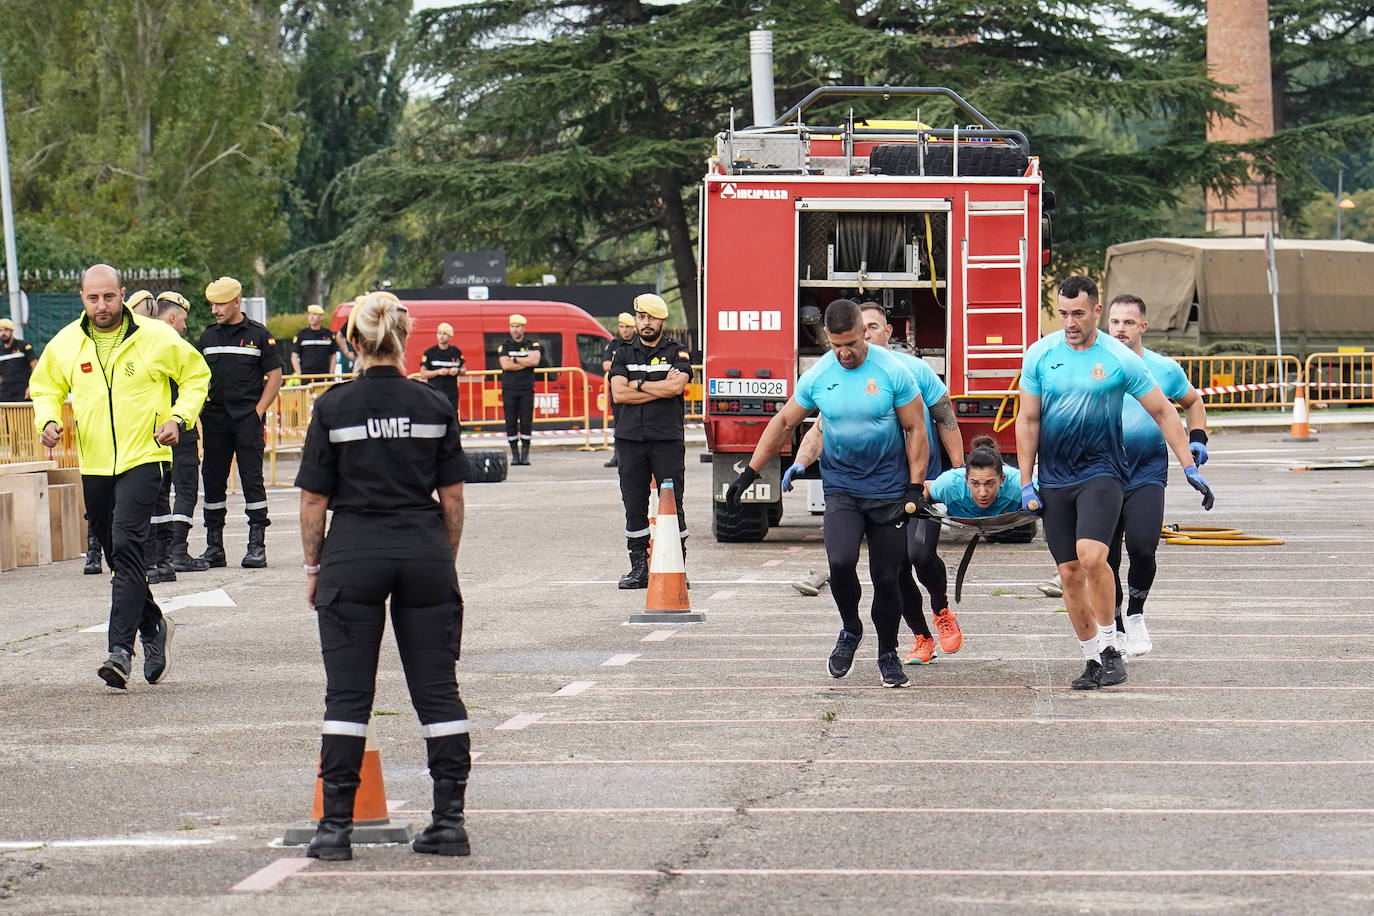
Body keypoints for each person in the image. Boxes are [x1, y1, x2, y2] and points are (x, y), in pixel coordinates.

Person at [296, 291, 471, 861]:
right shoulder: (432, 406)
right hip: (422, 551)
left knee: (347, 697)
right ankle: (449, 822)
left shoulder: (334, 407)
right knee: (438, 694)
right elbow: (452, 500)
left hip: (354, 554)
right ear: (406, 340)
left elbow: (313, 504)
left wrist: (313, 568)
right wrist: (441, 559)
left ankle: (335, 831)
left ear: (351, 343)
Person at [1017, 276, 1214, 691]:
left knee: (1091, 557)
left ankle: (1112, 646)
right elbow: (1029, 419)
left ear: (1095, 312)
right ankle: (1092, 659)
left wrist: (1188, 463)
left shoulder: (1119, 358)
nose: (1070, 322)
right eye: (1063, 314)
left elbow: (1163, 411)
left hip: (1102, 473)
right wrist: (1025, 480)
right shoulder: (1040, 355)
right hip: (1054, 478)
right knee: (1069, 573)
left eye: (1078, 314)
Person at [728, 298, 929, 688]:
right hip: (842, 489)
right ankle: (851, 629)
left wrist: (916, 486)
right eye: (837, 345)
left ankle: (887, 652)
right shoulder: (819, 375)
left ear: (865, 332)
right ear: (827, 338)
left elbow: (916, 428)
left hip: (888, 492)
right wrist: (750, 472)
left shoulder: (892, 371)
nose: (845, 353)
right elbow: (784, 422)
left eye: (852, 343)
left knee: (887, 578)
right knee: (840, 562)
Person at [30, 264, 210, 688]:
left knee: (129, 541)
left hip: (145, 456)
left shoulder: (155, 336)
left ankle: (119, 651)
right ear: (82, 299)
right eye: (93, 298)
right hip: (94, 464)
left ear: (122, 294)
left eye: (109, 297)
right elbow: (45, 386)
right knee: (117, 554)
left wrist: (179, 419)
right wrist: (48, 420)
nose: (102, 306)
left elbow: (197, 374)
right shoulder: (68, 342)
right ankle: (153, 625)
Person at [783, 302, 965, 667]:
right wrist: (802, 461)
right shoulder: (841, 376)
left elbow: (945, 417)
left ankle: (941, 608)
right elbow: (820, 427)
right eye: (859, 329)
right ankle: (920, 636)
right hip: (878, 490)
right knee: (895, 570)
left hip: (922, 484)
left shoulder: (911, 370)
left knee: (920, 555)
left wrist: (957, 473)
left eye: (873, 328)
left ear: (887, 332)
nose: (864, 336)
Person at [1105, 293, 1210, 656]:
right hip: (1102, 473)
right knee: (1106, 558)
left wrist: (1196, 440)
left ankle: (1135, 615)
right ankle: (1114, 624)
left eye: (1128, 323)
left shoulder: (1164, 368)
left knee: (1142, 548)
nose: (1120, 329)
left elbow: (1193, 402)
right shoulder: (1094, 364)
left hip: (1147, 471)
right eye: (1115, 322)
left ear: (1142, 327)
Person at [197, 276, 284, 568]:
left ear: (237, 302)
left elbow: (275, 376)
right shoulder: (208, 337)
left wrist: (258, 411)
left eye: (220, 303)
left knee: (252, 480)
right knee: (212, 481)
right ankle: (214, 547)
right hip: (215, 419)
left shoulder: (259, 335)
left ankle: (256, 545)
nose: (215, 310)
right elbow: (196, 377)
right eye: (212, 304)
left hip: (246, 419)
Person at [608, 294, 691, 589]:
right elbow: (619, 393)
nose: (645, 323)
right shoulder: (622, 353)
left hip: (666, 439)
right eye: (641, 317)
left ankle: (677, 567)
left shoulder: (677, 352)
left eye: (651, 318)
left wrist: (638, 384)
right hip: (630, 440)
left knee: (672, 503)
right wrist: (660, 387)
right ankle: (639, 569)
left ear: (662, 321)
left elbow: (677, 386)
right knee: (634, 504)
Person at [147, 291, 211, 576]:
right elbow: (197, 381)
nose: (185, 327)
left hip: (151, 431)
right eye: (183, 319)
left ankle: (158, 557)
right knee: (185, 489)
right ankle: (177, 552)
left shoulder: (142, 342)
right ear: (172, 317)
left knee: (158, 494)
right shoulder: (175, 345)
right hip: (180, 428)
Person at [927, 436, 1023, 518]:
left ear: (1002, 480)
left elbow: (1037, 490)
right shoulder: (949, 485)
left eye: (989, 484)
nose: (983, 493)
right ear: (966, 479)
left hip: (1009, 524)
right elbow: (925, 487)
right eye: (975, 483)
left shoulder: (1019, 484)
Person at [497, 313, 542, 465]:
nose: (515, 329)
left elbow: (535, 360)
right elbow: (505, 365)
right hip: (509, 388)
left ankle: (525, 454)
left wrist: (515, 359)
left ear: (523, 328)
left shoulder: (532, 344)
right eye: (512, 326)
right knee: (510, 421)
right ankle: (515, 455)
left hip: (526, 388)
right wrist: (525, 361)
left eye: (518, 326)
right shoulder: (505, 345)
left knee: (526, 421)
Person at [600, 312, 637, 468]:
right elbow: (605, 365)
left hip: (634, 391)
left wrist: (618, 366)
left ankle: (633, 457)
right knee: (619, 424)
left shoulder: (638, 343)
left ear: (633, 328)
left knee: (634, 423)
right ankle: (618, 455)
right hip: (617, 391)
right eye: (621, 327)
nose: (624, 330)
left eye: (627, 327)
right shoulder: (614, 344)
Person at [419, 321, 464, 415]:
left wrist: (457, 371)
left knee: (452, 415)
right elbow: (423, 373)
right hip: (435, 391)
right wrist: (438, 372)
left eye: (444, 334)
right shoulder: (430, 352)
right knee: (436, 415)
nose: (441, 336)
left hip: (451, 392)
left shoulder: (456, 352)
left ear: (450, 337)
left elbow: (464, 371)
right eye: (439, 333)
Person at [291, 304, 339, 378]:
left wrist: (331, 373)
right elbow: (294, 355)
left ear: (321, 317)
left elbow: (333, 355)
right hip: (306, 377)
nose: (311, 317)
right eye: (309, 314)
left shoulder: (328, 334)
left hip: (324, 376)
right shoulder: (302, 334)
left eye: (314, 314)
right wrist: (299, 374)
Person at [0, 318, 37, 401]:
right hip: (5, 395)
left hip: (24, 394)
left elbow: (35, 367)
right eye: (0, 330)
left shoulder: (23, 346)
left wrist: (31, 387)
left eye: (6, 330)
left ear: (11, 331)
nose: (3, 333)